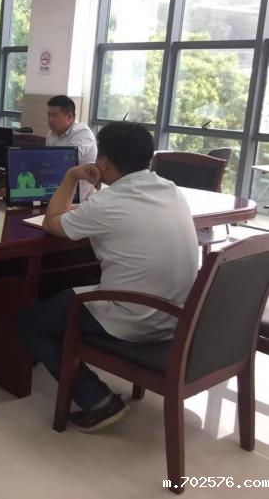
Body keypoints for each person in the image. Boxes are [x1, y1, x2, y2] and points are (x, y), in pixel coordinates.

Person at [16, 122, 198, 432]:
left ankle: (97, 399)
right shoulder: (171, 190)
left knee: (29, 322)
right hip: (177, 316)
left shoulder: (109, 202)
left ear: (103, 162)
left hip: (135, 317)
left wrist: (71, 176)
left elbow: (52, 222)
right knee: (65, 295)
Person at [46, 95, 97, 199]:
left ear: (69, 117)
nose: (50, 120)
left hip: (80, 195)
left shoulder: (82, 133)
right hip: (56, 186)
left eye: (55, 116)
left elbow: (66, 161)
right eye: (49, 115)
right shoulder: (51, 134)